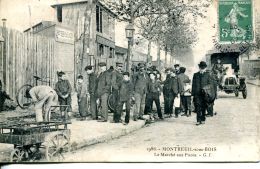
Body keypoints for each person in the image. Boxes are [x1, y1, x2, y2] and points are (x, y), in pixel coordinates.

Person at [192, 61, 214, 125]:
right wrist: (193, 94)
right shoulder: (195, 75)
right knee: (198, 107)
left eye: (203, 68)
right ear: (199, 68)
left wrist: (205, 88)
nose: (202, 69)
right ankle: (198, 120)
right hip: (197, 94)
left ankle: (203, 119)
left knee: (204, 107)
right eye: (201, 68)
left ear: (205, 68)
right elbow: (193, 84)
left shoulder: (208, 75)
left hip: (205, 94)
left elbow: (210, 84)